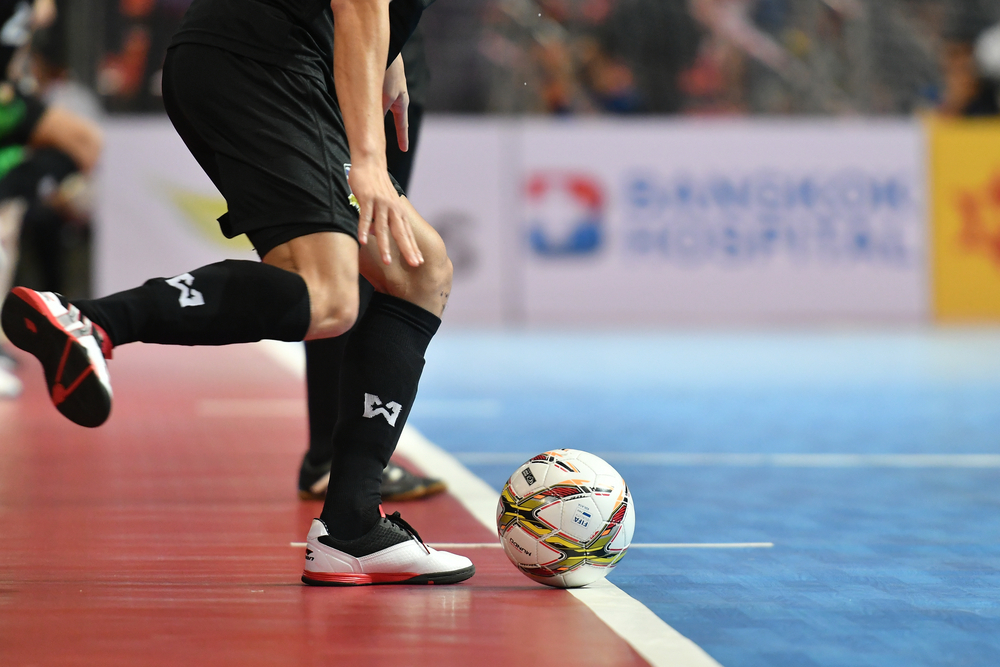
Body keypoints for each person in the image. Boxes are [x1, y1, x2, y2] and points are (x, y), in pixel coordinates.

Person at [1, 0, 474, 586]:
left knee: (418, 272)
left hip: (260, 60)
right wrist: (368, 160)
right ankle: (94, 322)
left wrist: (392, 55)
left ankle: (351, 525)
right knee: (329, 296)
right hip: (266, 62)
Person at [298, 25, 447, 503]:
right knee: (351, 258)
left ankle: (338, 457)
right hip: (356, 67)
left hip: (387, 64)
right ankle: (333, 457)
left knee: (368, 258)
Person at [0, 0, 102, 398]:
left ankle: (13, 192)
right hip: (8, 104)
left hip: (13, 102)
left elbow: (41, 16)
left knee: (85, 145)